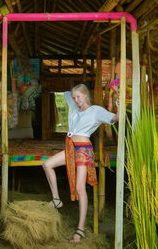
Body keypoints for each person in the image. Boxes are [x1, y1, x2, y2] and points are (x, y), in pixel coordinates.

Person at [42, 84, 119, 243]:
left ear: (86, 95)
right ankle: (57, 200)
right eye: (74, 97)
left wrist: (119, 106)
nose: (75, 100)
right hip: (71, 147)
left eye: (78, 96)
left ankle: (80, 229)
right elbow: (58, 91)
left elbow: (114, 118)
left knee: (80, 188)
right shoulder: (73, 105)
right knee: (47, 165)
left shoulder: (96, 111)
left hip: (83, 149)